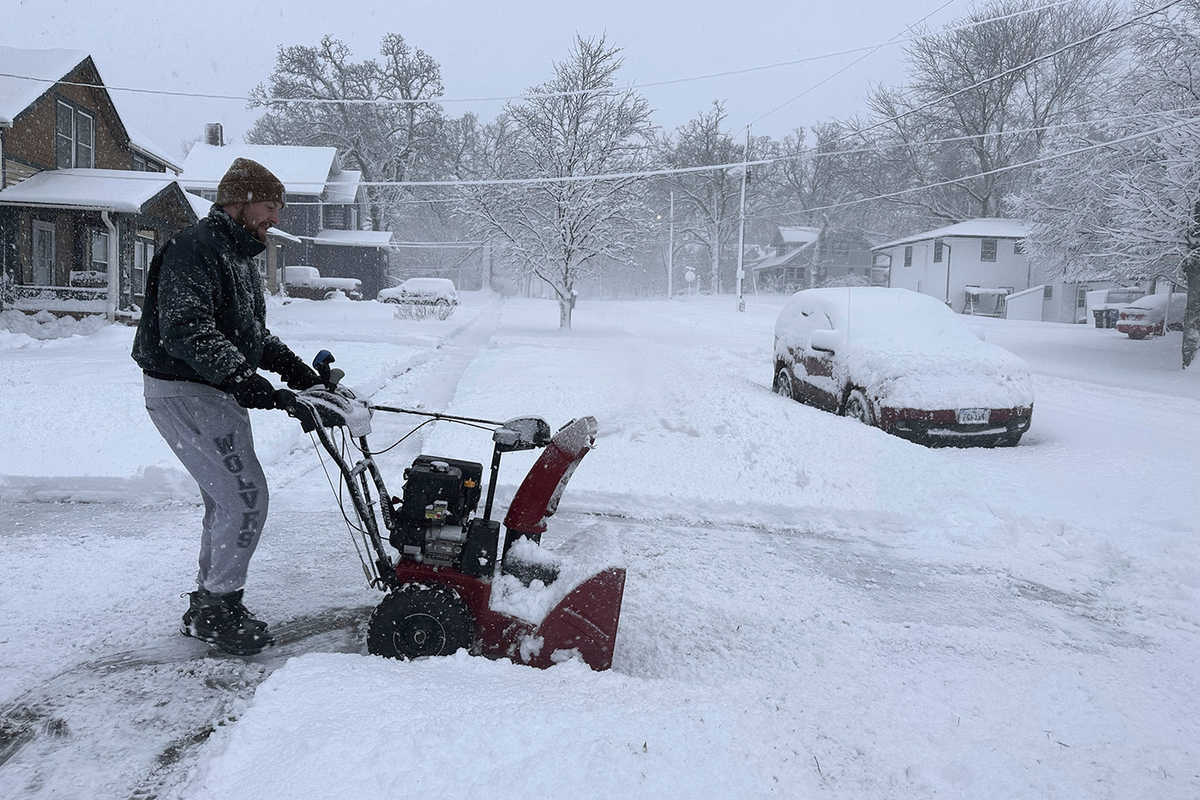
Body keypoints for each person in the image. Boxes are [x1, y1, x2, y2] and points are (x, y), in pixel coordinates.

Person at [132, 158, 322, 656]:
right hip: (187, 389)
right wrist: (244, 380)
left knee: (226, 499)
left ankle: (207, 604)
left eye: (278, 208)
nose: (275, 218)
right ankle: (218, 607)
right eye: (269, 206)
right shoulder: (196, 248)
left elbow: (250, 335)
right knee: (245, 496)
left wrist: (296, 371)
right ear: (238, 200)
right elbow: (186, 328)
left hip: (208, 390)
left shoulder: (236, 255)